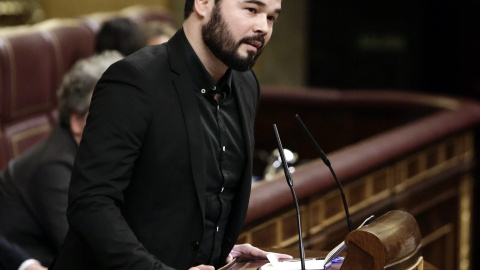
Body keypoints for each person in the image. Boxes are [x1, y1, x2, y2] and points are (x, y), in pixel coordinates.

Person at [50, 0, 288, 269]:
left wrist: (217, 249)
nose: (263, 28)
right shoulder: (134, 79)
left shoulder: (245, 85)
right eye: (252, 10)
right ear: (204, 3)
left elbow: (190, 200)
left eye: (271, 18)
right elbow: (91, 204)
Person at [0, 51, 123, 267]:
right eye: (109, 114)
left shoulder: (103, 156)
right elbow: (89, 250)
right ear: (77, 121)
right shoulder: (52, 167)